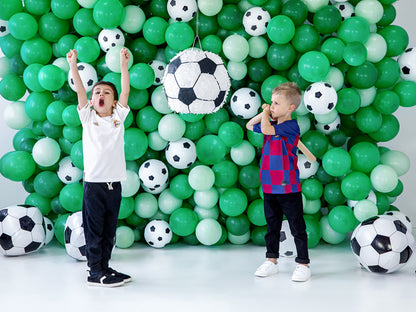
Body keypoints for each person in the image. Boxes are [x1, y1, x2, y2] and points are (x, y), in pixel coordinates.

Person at [66, 47, 131, 287]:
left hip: (114, 184)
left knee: (109, 229)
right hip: (94, 185)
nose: (101, 95)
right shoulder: (88, 117)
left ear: (114, 102)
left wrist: (123, 66)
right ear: (93, 102)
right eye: (97, 93)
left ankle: (104, 266)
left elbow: (125, 89)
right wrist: (73, 65)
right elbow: (80, 90)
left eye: (106, 93)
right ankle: (94, 271)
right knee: (94, 230)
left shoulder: (118, 118)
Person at [246, 82, 312, 282]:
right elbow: (250, 125)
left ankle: (303, 263)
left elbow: (265, 130)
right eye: (271, 102)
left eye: (277, 103)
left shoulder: (290, 126)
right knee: (272, 226)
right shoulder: (272, 123)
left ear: (291, 108)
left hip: (287, 185)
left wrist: (266, 113)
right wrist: (267, 110)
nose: (272, 105)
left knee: (296, 226)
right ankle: (271, 260)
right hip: (269, 185)